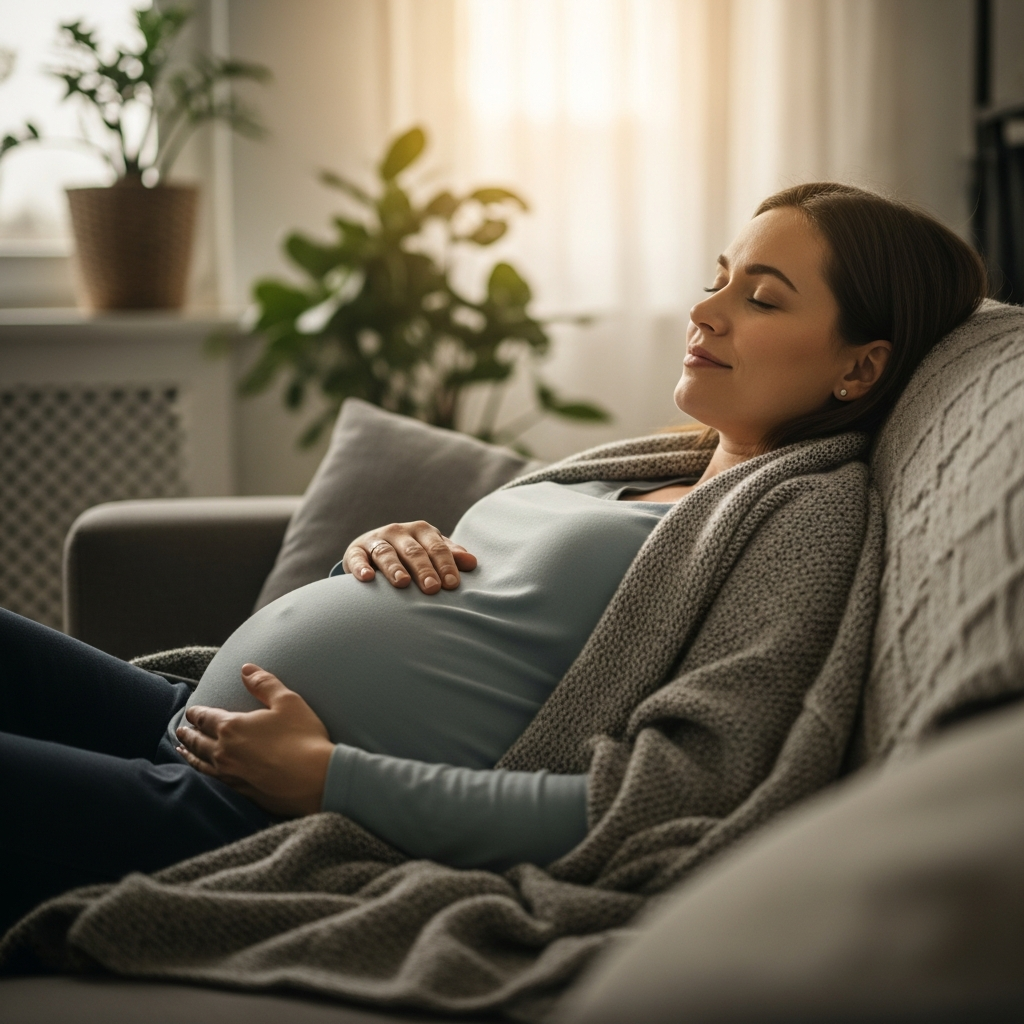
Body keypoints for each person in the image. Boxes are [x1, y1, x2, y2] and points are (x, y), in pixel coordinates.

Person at [0, 183, 987, 937]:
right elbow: (494, 606)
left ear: (858, 365)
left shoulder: (802, 516)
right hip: (188, 724)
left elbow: (673, 800)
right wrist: (388, 548)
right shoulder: (660, 465)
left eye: (762, 299)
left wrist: (329, 779)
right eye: (716, 276)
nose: (709, 311)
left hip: (233, 815)